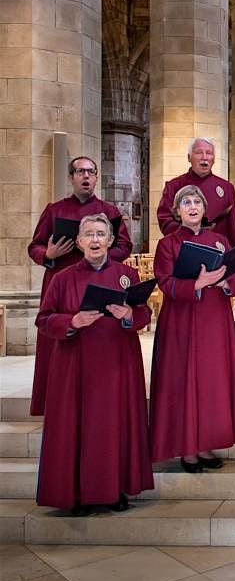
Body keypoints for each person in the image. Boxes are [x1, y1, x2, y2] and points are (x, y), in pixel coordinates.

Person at [35, 214, 152, 514]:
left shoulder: (127, 275)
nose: (96, 239)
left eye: (102, 234)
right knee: (78, 427)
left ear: (111, 241)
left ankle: (113, 489)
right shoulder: (63, 278)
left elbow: (143, 315)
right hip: (75, 365)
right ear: (79, 241)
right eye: (89, 234)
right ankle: (75, 493)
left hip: (117, 364)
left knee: (114, 426)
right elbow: (44, 319)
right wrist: (71, 320)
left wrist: (128, 315)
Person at [150, 185, 235, 473]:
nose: (192, 207)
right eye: (186, 202)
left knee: (211, 380)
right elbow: (164, 283)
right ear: (177, 211)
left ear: (205, 210)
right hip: (180, 320)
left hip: (214, 320)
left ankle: (206, 443)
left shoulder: (219, 240)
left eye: (197, 202)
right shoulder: (167, 244)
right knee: (183, 380)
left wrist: (226, 283)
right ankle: (187, 448)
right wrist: (197, 284)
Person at [27, 156, 133, 416]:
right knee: (60, 346)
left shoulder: (109, 212)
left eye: (91, 172)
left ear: (96, 177)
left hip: (102, 281)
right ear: (71, 177)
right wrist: (49, 254)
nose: (86, 176)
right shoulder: (54, 210)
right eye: (80, 172)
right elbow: (35, 247)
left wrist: (99, 253)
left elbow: (124, 246)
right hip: (63, 283)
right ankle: (57, 406)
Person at [157, 137, 235, 244]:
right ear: (189, 157)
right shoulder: (174, 186)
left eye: (209, 153)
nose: (204, 157)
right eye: (199, 152)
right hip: (184, 248)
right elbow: (165, 220)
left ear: (214, 159)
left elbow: (233, 228)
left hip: (217, 251)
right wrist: (191, 232)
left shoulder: (226, 187)